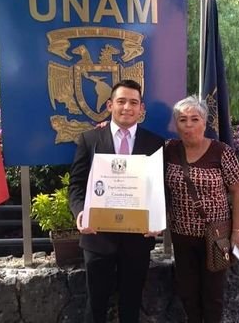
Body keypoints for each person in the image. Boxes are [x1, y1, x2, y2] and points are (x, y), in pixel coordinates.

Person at [68, 79, 164, 323]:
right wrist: (80, 212)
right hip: (97, 237)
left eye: (133, 102)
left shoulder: (154, 143)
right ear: (110, 105)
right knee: (96, 305)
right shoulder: (89, 140)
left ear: (141, 108)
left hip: (138, 240)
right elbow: (76, 187)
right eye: (121, 101)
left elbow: (161, 190)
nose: (127, 107)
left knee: (131, 305)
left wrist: (158, 220)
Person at [165, 95, 239, 323]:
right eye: (183, 120)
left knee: (213, 295)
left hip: (217, 237)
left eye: (195, 119)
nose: (189, 125)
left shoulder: (221, 152)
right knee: (187, 292)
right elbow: (139, 148)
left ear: (204, 122)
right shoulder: (169, 150)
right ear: (176, 124)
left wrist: (238, 232)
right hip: (182, 236)